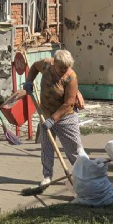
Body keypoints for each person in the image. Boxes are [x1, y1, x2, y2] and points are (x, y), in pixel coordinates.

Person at [22, 50, 84, 188]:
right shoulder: (46, 65)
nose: (64, 70)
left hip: (66, 117)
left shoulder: (71, 78)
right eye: (61, 67)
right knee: (47, 147)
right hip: (45, 113)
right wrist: (29, 81)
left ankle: (84, 175)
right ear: (54, 63)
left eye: (67, 67)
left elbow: (68, 103)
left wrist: (53, 119)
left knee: (74, 148)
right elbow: (34, 67)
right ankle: (47, 176)